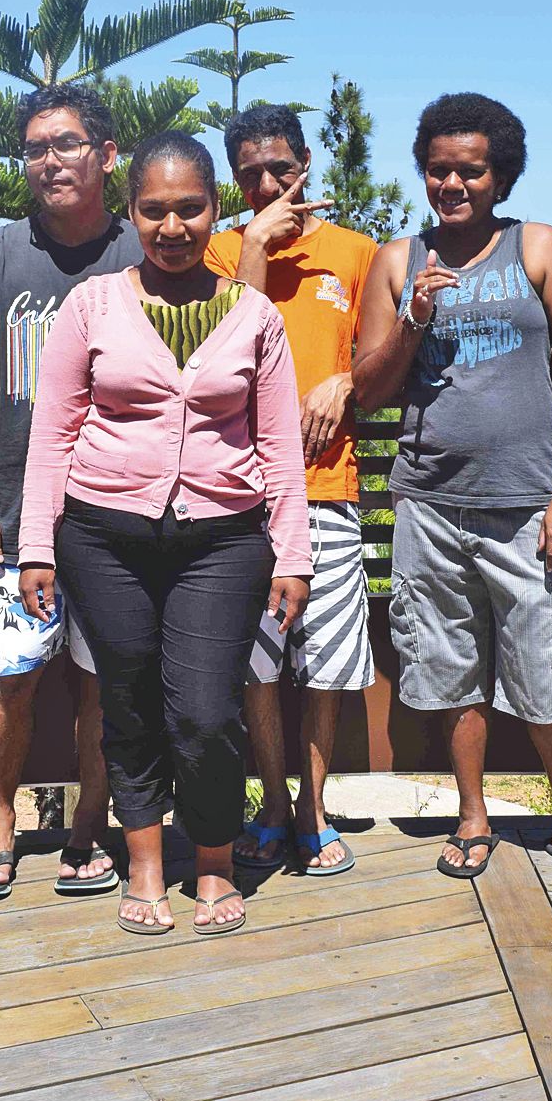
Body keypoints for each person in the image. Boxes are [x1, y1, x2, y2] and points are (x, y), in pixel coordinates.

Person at [17, 131, 311, 935]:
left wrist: (292, 553)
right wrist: (37, 544)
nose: (172, 227)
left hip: (222, 538)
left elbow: (278, 444)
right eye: (154, 210)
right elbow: (54, 431)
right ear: (131, 212)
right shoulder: (92, 305)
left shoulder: (254, 315)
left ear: (217, 211)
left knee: (206, 709)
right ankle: (145, 861)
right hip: (102, 537)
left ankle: (210, 860)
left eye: (189, 209)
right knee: (127, 700)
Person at [353, 92, 552, 888]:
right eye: (438, 171)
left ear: (500, 174)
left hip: (527, 506)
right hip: (430, 502)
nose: (452, 185)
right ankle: (474, 816)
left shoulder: (537, 246)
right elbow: (367, 388)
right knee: (449, 666)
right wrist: (412, 320)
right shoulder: (398, 260)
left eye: (470, 171)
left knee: (543, 666)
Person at [0, 85, 139, 899]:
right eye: (33, 147)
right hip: (21, 517)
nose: (48, 160)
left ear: (107, 154)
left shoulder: (145, 248)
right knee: (8, 673)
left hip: (122, 516)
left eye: (64, 143)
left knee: (106, 683)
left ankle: (89, 827)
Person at [208, 104, 379, 879]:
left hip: (327, 486)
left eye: (281, 168)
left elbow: (382, 358)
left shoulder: (355, 252)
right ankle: (271, 804)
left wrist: (347, 378)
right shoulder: (218, 249)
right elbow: (218, 353)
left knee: (327, 662)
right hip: (237, 494)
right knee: (257, 662)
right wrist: (253, 248)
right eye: (250, 175)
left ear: (306, 163)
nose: (268, 184)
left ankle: (311, 806)